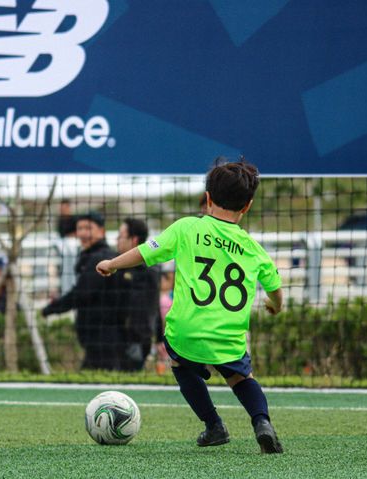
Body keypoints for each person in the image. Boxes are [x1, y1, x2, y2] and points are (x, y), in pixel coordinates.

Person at [96, 157, 285, 454]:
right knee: (241, 378)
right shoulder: (253, 248)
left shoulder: (186, 228)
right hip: (228, 336)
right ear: (247, 206)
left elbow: (146, 253)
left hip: (186, 332)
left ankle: (214, 426)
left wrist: (112, 263)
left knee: (180, 363)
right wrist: (275, 305)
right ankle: (262, 422)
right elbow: (275, 288)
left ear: (208, 198)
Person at [42, 210, 119, 370]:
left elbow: (80, 294)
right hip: (97, 338)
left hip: (105, 339)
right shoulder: (89, 255)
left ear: (102, 230)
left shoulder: (101, 257)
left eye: (88, 228)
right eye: (80, 228)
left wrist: (50, 309)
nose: (83, 233)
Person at [113, 218, 162, 371]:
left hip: (133, 342)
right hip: (125, 341)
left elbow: (145, 309)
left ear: (134, 240)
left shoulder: (145, 271)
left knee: (128, 380)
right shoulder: (123, 267)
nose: (117, 240)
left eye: (121, 236)